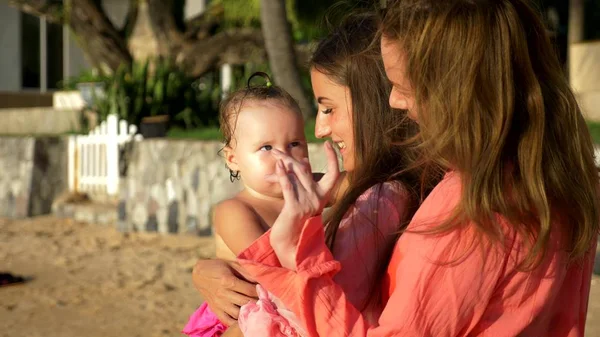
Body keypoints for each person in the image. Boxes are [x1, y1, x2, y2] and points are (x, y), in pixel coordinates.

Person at [231, 0, 600, 336]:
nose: (393, 102)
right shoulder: (560, 179)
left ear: (451, 88)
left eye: (402, 85)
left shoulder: (471, 207)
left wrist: (300, 254)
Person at [187, 17, 421, 332]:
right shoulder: (235, 211)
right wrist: (206, 268)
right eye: (266, 148)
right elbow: (271, 272)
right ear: (233, 160)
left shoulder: (313, 188)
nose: (284, 156)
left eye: (294, 143)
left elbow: (361, 182)